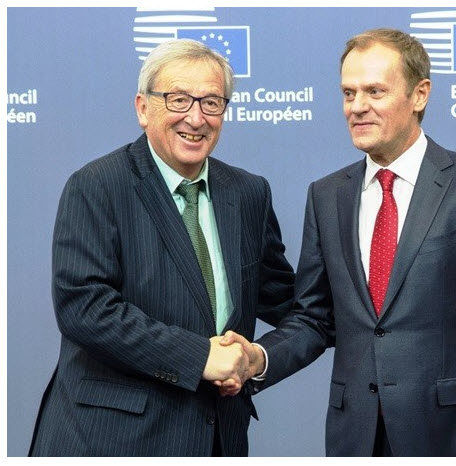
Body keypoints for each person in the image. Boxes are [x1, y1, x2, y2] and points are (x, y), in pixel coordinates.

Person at [222, 28, 456, 456]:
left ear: (420, 94)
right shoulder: (326, 195)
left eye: (374, 91)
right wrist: (257, 359)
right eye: (348, 93)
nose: (357, 106)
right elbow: (313, 318)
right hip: (355, 438)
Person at [28, 39, 294, 456]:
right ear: (143, 108)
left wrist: (256, 358)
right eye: (178, 99)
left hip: (217, 439)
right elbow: (85, 307)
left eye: (211, 102)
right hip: (110, 441)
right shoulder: (97, 186)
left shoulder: (248, 193)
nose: (196, 117)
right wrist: (199, 357)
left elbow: (290, 303)